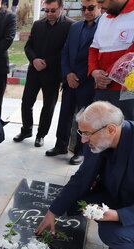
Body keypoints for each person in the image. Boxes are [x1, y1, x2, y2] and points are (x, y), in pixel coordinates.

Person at [36, 101, 134, 249]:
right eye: (81, 132)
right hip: (117, 193)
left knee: (112, 233)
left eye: (87, 133)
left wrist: (118, 215)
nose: (82, 140)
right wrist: (53, 211)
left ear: (111, 129)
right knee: (75, 203)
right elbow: (82, 178)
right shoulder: (99, 140)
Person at [45, 0, 101, 165]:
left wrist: (79, 77)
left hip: (87, 81)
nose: (86, 11)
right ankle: (60, 145)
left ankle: (80, 151)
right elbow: (66, 52)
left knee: (84, 119)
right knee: (65, 115)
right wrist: (68, 74)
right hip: (70, 80)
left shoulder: (104, 27)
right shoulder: (75, 27)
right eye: (83, 8)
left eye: (91, 8)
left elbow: (97, 56)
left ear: (99, 7)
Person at [13, 0, 74, 147]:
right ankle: (26, 129)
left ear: (61, 8)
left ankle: (41, 135)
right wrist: (34, 60)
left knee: (48, 106)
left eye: (53, 11)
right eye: (46, 11)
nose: (49, 14)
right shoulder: (38, 24)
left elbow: (65, 51)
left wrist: (47, 62)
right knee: (26, 102)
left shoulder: (70, 26)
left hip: (53, 73)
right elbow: (28, 47)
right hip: (34, 71)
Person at [88, 0, 134, 120]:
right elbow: (94, 47)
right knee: (100, 127)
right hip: (102, 86)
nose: (99, 5)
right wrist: (94, 71)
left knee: (126, 129)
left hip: (126, 88)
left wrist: (109, 73)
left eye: (101, 1)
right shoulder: (104, 18)